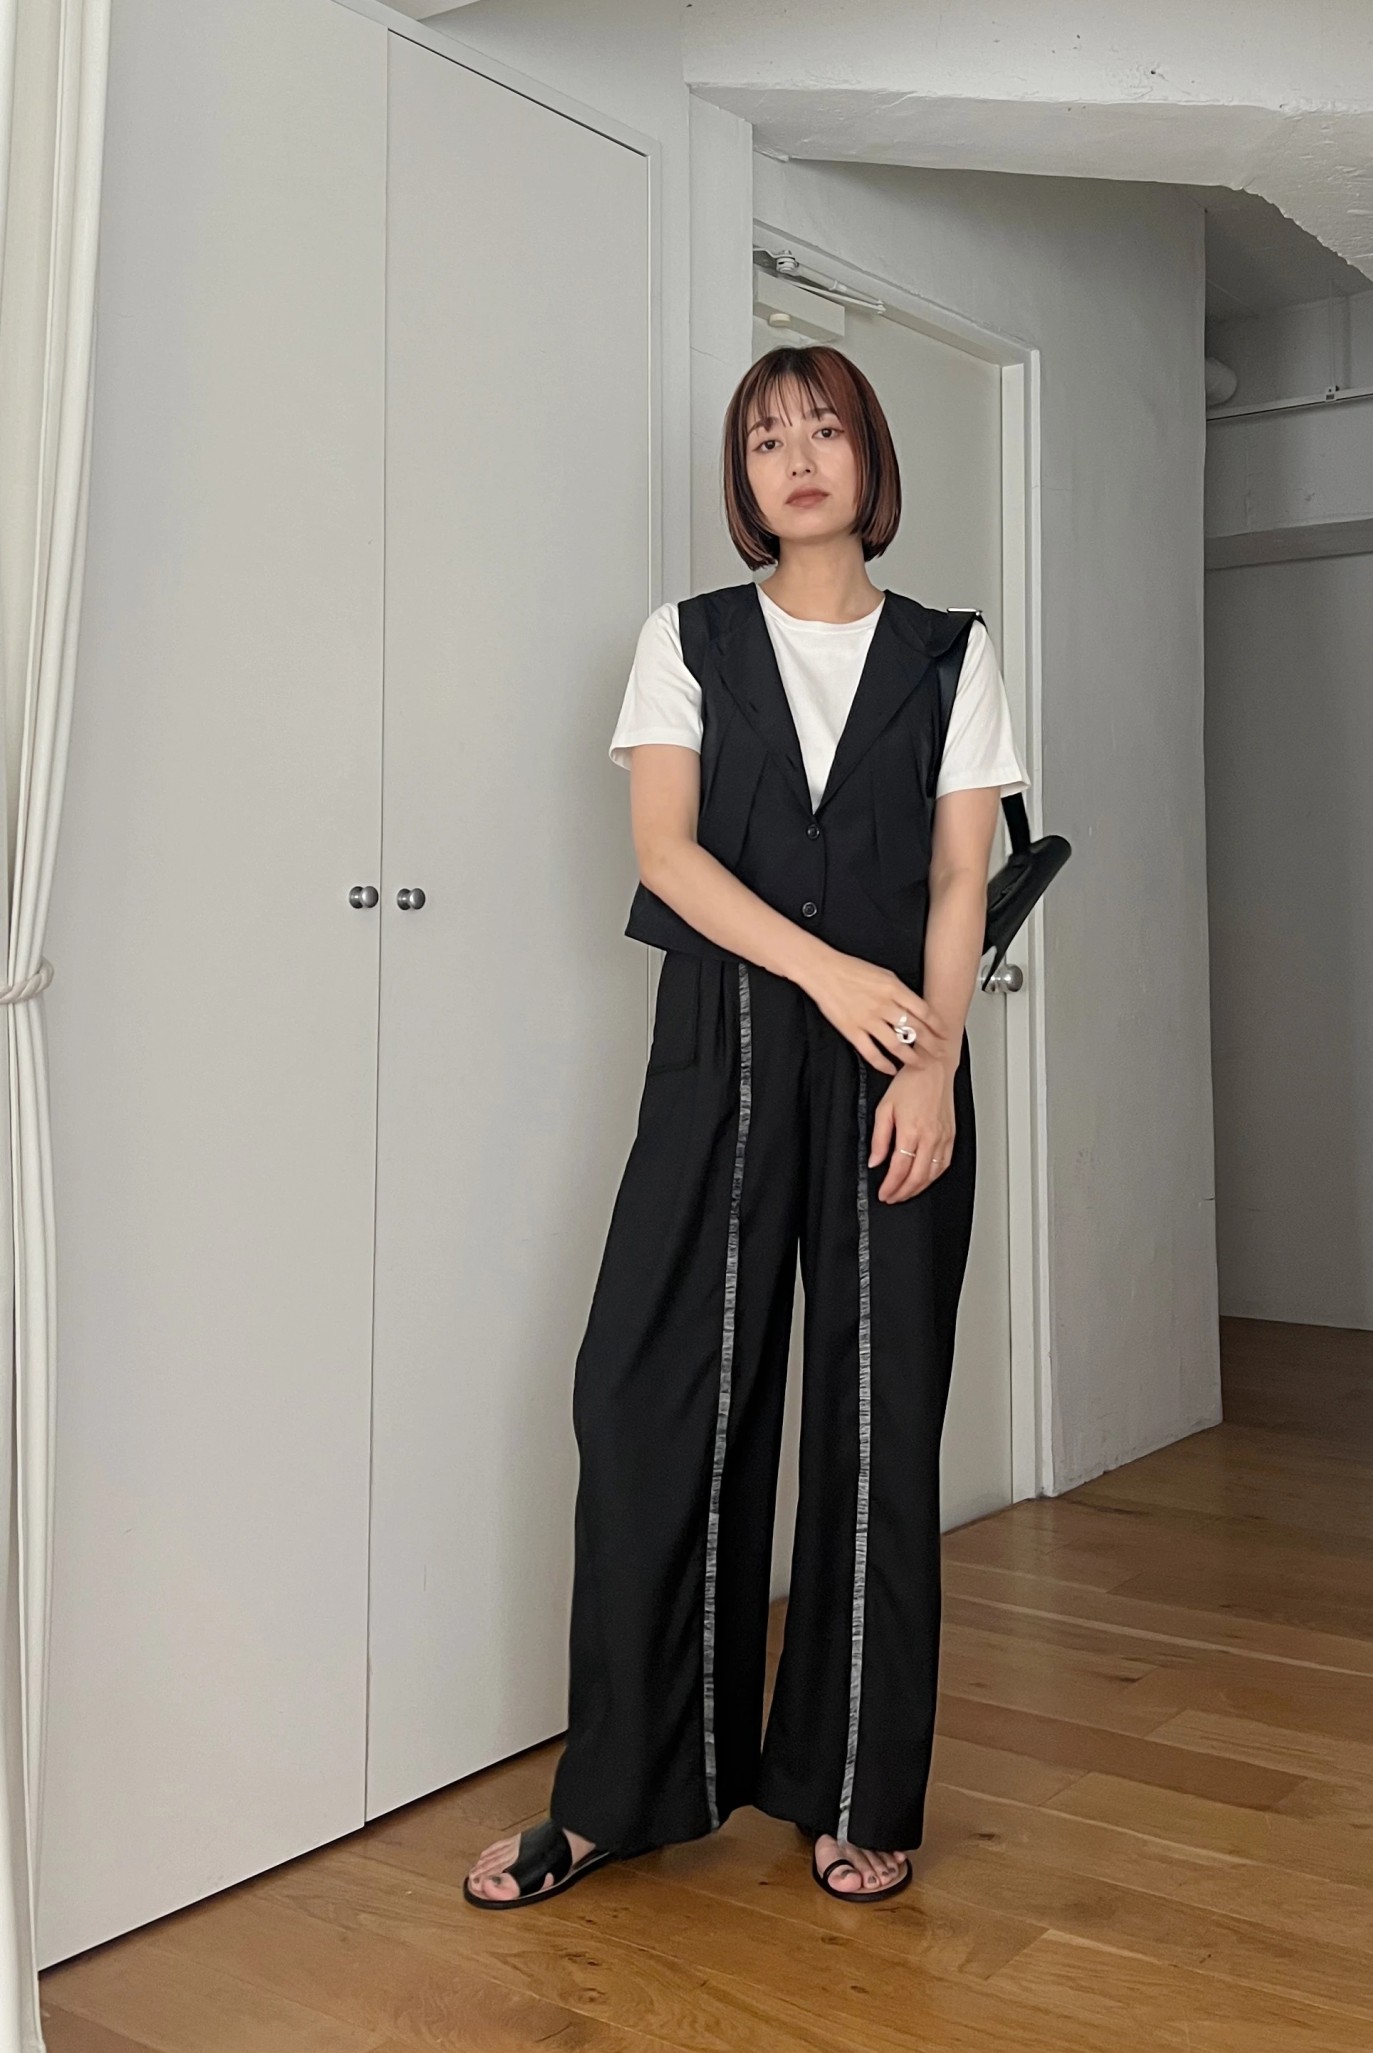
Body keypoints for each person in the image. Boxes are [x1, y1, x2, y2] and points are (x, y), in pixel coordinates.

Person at [464, 343, 1029, 1910]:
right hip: (720, 1048)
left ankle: (856, 1791)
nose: (797, 456)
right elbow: (667, 853)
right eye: (767, 437)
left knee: (875, 1421)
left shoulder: (951, 653)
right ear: (744, 478)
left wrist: (932, 1065)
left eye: (823, 428)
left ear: (869, 459)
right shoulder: (688, 639)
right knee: (648, 1397)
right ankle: (621, 1794)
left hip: (899, 1060)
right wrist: (828, 973)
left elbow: (964, 875)